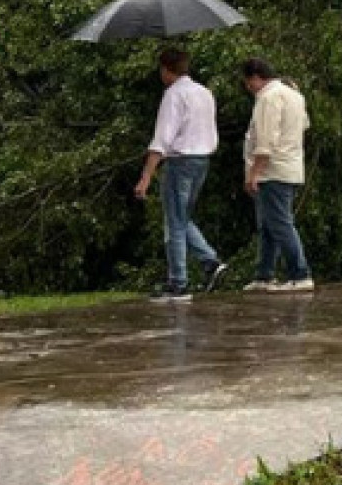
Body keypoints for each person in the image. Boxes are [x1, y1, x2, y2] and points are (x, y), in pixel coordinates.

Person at [134, 47, 222, 303]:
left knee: (174, 221)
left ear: (165, 70)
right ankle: (209, 261)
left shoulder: (174, 95)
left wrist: (146, 176)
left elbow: (162, 139)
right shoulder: (204, 93)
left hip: (179, 160)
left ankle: (178, 282)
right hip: (202, 159)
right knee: (182, 217)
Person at [241, 58, 313, 292]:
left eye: (248, 82)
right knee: (268, 225)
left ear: (255, 78)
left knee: (280, 223)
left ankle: (299, 273)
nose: (248, 87)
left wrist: (254, 172)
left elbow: (265, 139)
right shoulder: (294, 95)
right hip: (289, 166)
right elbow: (303, 125)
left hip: (273, 170)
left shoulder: (268, 98)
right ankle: (265, 273)